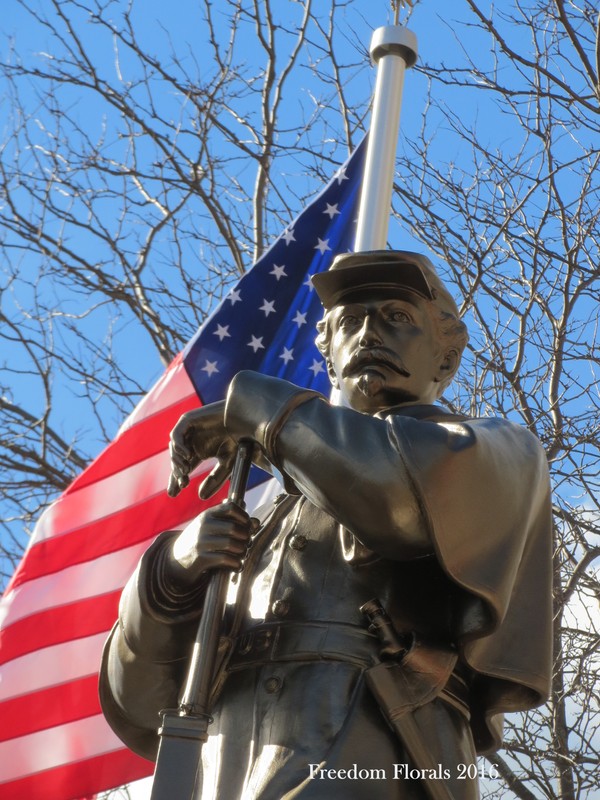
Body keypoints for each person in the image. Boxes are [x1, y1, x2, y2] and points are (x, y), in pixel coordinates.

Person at [100, 250, 553, 800]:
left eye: (396, 317)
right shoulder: (268, 518)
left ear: (446, 356)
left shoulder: (491, 451)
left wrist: (254, 408)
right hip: (230, 770)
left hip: (376, 761)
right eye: (350, 322)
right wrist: (173, 574)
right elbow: (142, 699)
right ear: (331, 359)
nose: (368, 334)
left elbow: (395, 499)